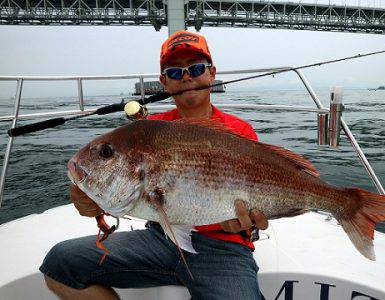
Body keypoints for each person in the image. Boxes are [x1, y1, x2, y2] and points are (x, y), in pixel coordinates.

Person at [40, 30, 268, 300]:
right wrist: (87, 199)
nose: (186, 76)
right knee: (59, 264)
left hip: (224, 249)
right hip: (159, 239)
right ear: (164, 82)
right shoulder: (147, 132)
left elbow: (257, 202)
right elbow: (127, 187)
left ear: (212, 73)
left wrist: (249, 226)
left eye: (195, 68)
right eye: (174, 72)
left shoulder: (240, 132)